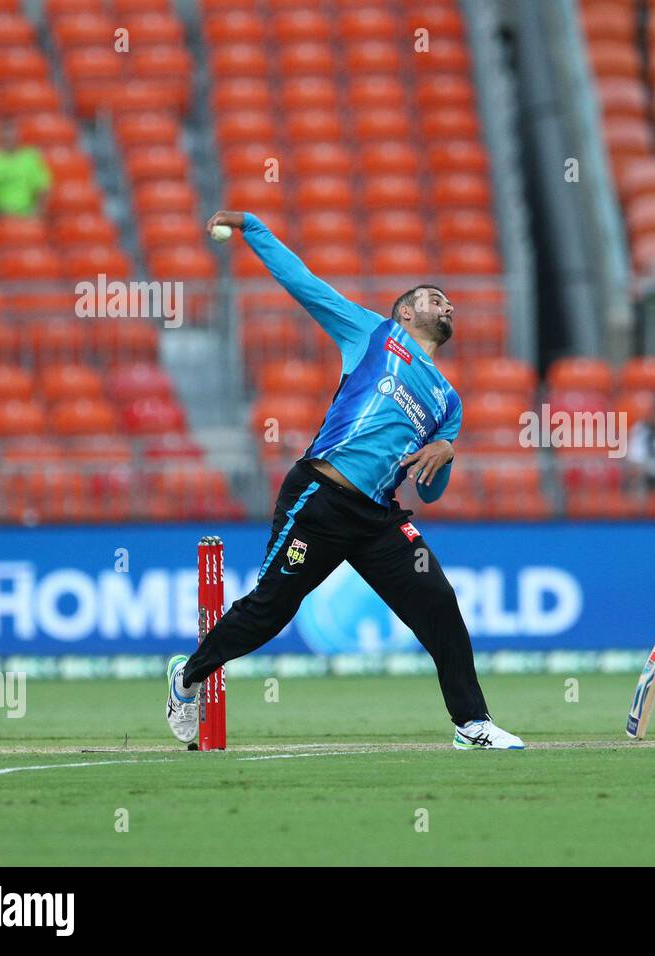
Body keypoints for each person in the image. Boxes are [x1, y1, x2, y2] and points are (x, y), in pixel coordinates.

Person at [163, 209, 524, 751]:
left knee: (439, 603)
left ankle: (471, 723)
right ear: (404, 312)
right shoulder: (372, 334)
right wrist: (253, 228)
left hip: (379, 518)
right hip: (318, 498)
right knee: (271, 609)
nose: (446, 305)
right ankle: (188, 676)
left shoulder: (449, 402)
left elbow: (429, 488)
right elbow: (302, 284)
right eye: (433, 298)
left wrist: (446, 450)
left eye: (449, 303)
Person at [0, 119, 51, 221]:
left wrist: (36, 213)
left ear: (18, 136)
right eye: (5, 137)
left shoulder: (31, 158)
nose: (8, 139)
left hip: (28, 216)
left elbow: (43, 188)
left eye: (11, 135)